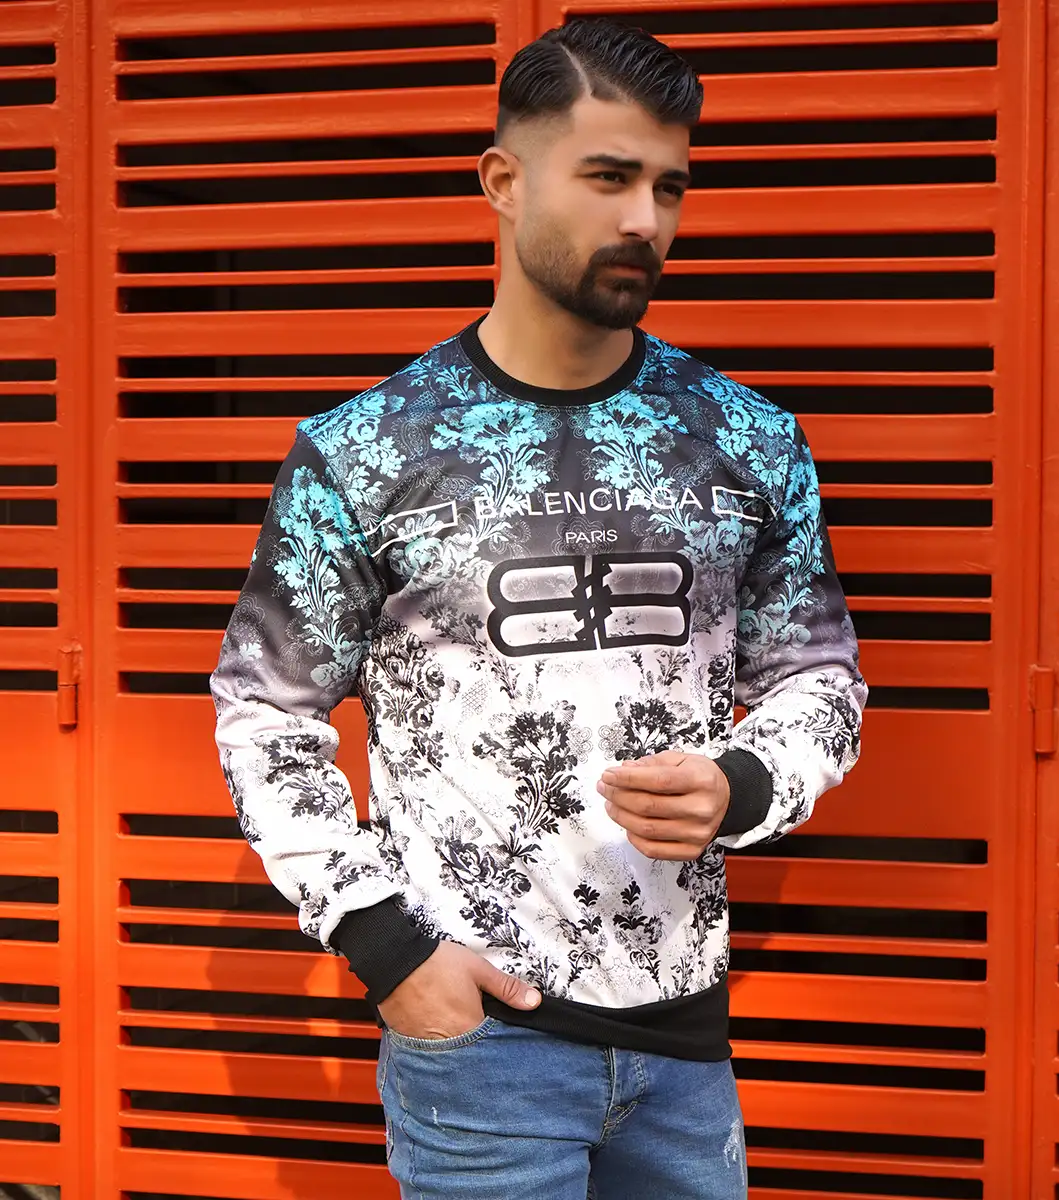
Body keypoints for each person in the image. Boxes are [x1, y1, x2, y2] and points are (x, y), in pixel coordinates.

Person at [210, 17, 866, 1200]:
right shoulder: (365, 452)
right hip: (481, 1054)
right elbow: (266, 713)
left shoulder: (749, 440)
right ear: (503, 183)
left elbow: (820, 677)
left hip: (686, 1048)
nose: (645, 220)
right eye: (608, 177)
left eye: (669, 186)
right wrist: (384, 946)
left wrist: (745, 784)